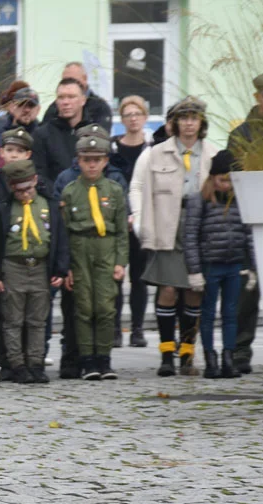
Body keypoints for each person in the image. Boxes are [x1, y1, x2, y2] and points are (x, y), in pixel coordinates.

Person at [129, 96, 220, 377]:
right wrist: (141, 223)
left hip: (199, 226)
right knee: (168, 289)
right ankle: (167, 353)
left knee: (194, 290)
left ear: (201, 122)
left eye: (194, 118)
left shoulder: (212, 153)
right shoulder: (156, 152)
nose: (189, 123)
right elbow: (139, 186)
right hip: (168, 223)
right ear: (175, 122)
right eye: (184, 118)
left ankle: (187, 353)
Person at [52, 124, 128, 378]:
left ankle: (104, 358)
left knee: (106, 306)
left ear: (106, 161)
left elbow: (121, 231)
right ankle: (87, 360)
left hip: (105, 248)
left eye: (97, 160)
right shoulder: (71, 191)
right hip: (80, 248)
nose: (92, 165)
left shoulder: (115, 191)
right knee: (84, 307)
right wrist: (68, 266)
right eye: (87, 160)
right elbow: (64, 232)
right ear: (79, 161)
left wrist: (120, 261)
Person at [227, 69, 263, 374]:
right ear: (257, 97)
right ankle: (239, 350)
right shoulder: (243, 134)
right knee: (246, 293)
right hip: (250, 224)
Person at [0, 159, 68, 384]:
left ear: (35, 180)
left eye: (28, 188)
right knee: (13, 320)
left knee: (38, 320)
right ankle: (16, 364)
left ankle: (36, 363)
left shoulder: (49, 206)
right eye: (18, 190)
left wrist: (60, 270)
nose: (24, 194)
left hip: (40, 267)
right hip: (13, 266)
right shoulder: (5, 209)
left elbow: (60, 239)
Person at [183, 150, 254, 379]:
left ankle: (228, 357)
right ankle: (210, 358)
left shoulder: (241, 200)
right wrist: (194, 270)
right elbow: (191, 236)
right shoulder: (199, 200)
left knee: (231, 313)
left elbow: (248, 233)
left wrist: (253, 266)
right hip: (210, 265)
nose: (227, 185)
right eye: (223, 179)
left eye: (231, 180)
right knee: (208, 313)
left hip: (234, 264)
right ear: (212, 177)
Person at [112, 95, 153, 348]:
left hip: (143, 219)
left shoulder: (151, 149)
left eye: (137, 113)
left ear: (145, 117)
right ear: (122, 119)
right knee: (116, 276)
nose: (133, 118)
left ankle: (137, 329)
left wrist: (138, 214)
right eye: (128, 114)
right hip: (118, 222)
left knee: (139, 277)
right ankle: (115, 328)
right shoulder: (113, 149)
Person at [33, 78, 91, 184]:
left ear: (83, 100)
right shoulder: (42, 135)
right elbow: (39, 176)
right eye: (61, 97)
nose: (65, 102)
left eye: (71, 97)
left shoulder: (94, 133)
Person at [40, 62, 113, 126]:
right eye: (65, 81)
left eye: (73, 80)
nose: (69, 85)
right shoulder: (55, 107)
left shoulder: (100, 107)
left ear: (85, 78)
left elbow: (101, 136)